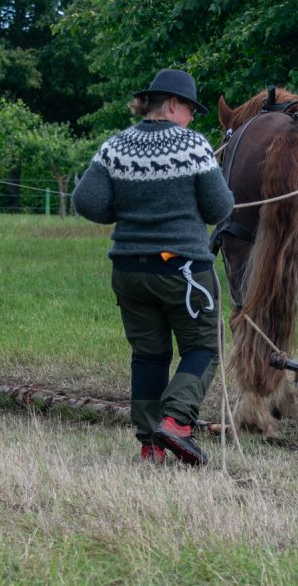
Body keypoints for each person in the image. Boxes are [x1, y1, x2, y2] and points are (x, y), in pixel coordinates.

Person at [73, 69, 234, 466]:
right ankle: (176, 422)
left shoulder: (116, 146)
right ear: (174, 105)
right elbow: (219, 208)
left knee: (148, 354)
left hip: (129, 269)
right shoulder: (193, 146)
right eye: (191, 109)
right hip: (183, 270)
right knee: (203, 346)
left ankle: (151, 446)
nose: (193, 118)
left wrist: (127, 214)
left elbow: (86, 201)